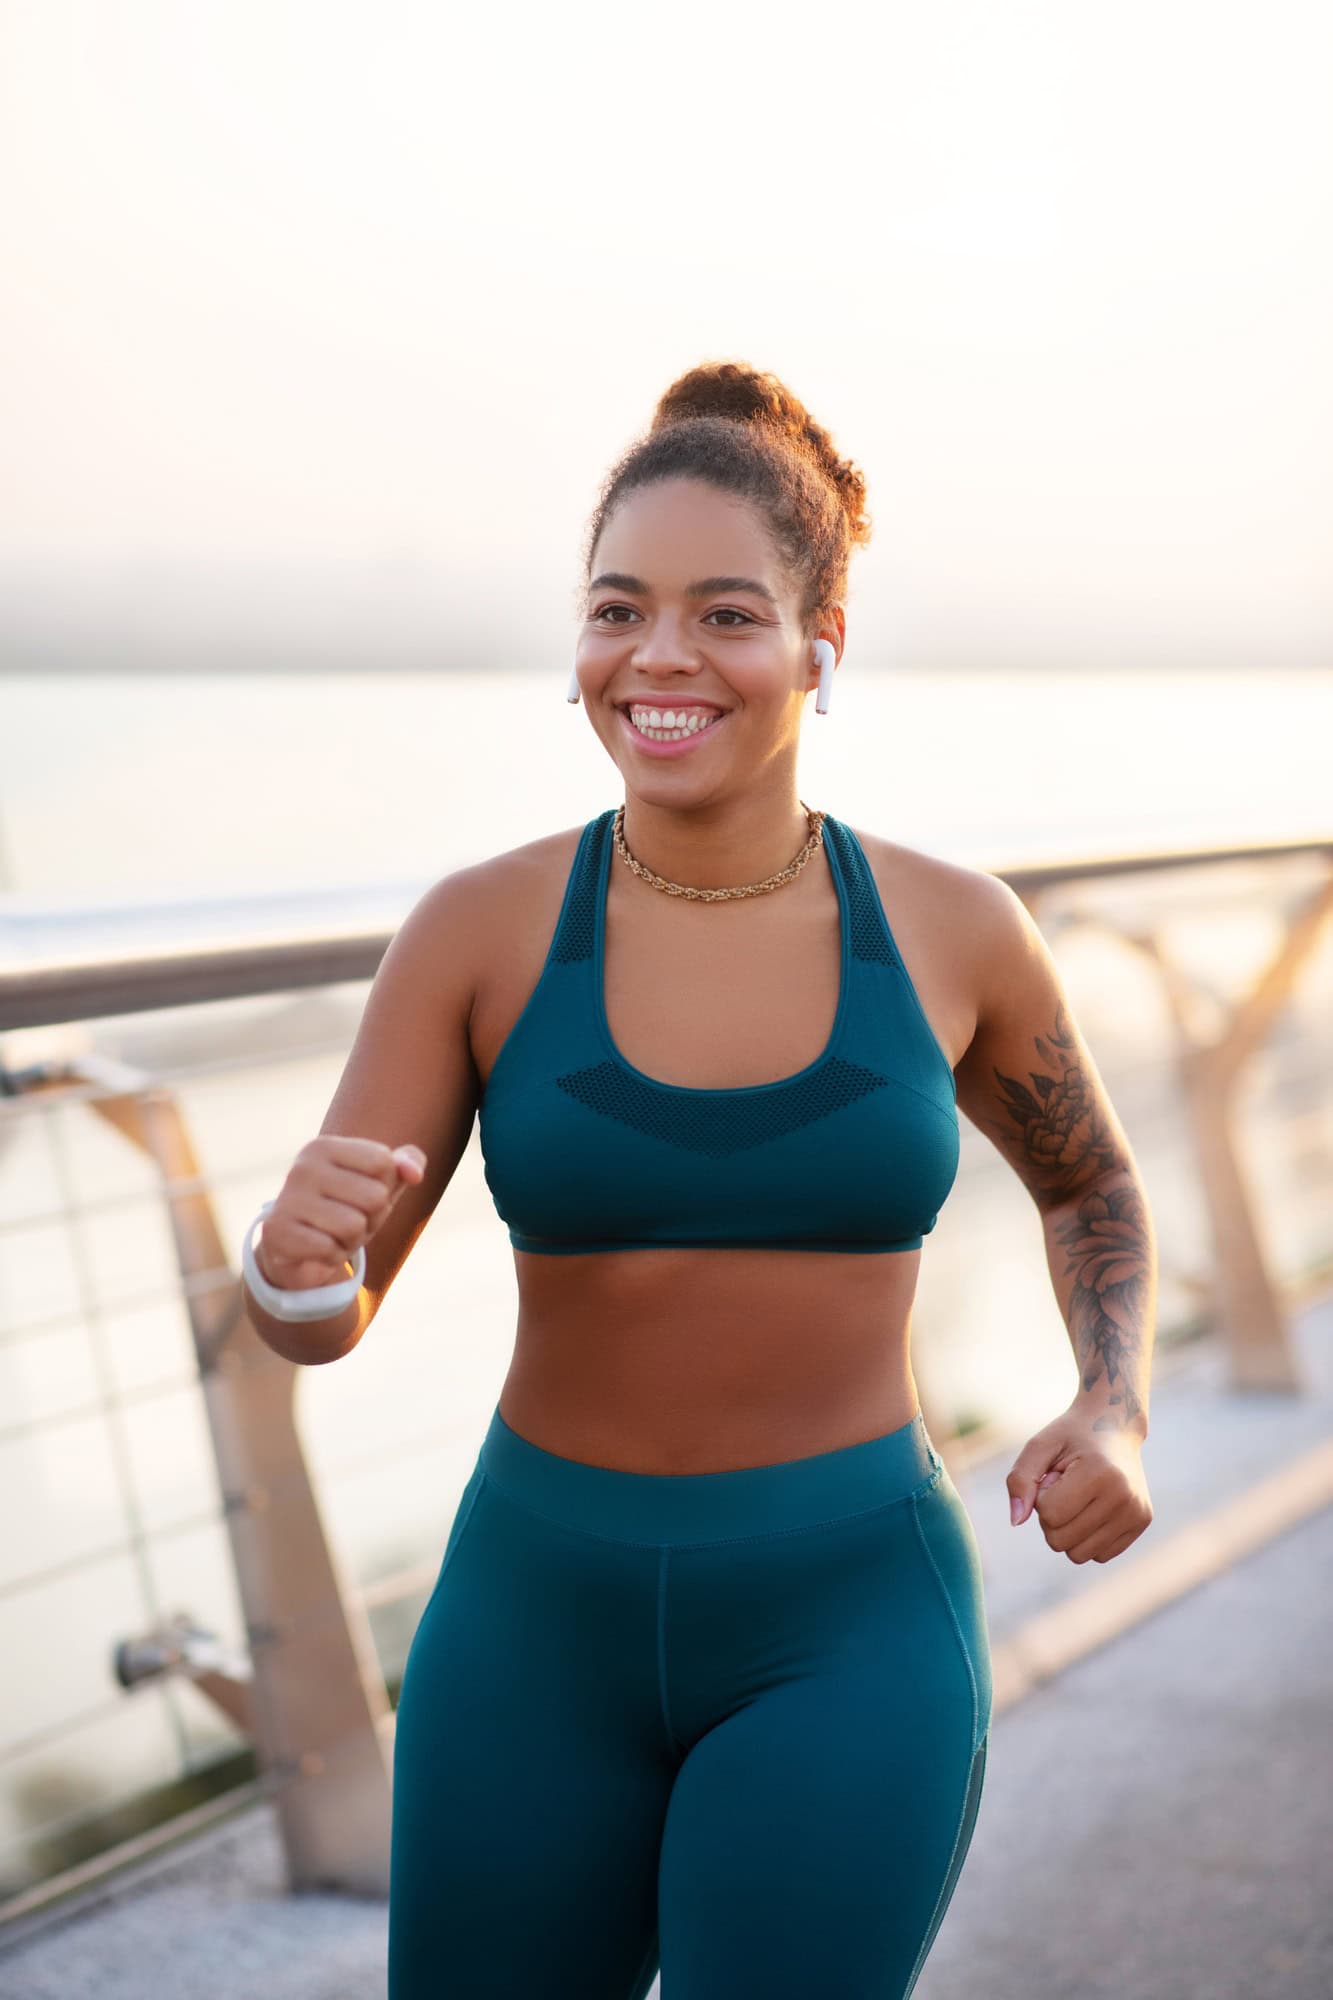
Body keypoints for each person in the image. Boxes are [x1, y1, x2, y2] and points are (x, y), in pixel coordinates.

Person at [243, 360, 1156, 1998]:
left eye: (724, 614)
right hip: (532, 1620)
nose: (658, 657)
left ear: (820, 645)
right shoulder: (478, 929)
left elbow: (1089, 1187)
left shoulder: (956, 931)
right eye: (617, 610)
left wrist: (1113, 1404)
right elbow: (323, 1312)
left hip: (849, 1620)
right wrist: (285, 1271)